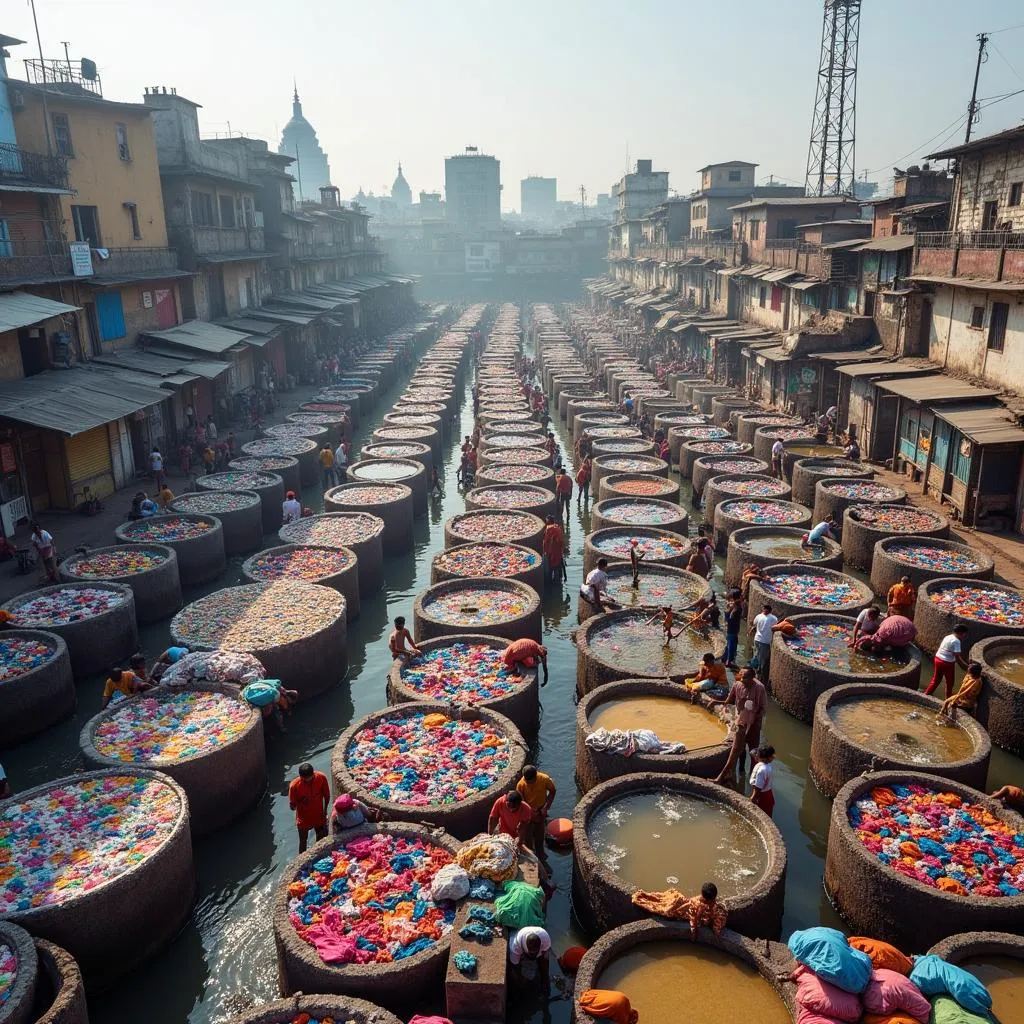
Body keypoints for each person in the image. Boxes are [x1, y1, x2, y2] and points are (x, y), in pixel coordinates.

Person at [710, 667, 768, 783]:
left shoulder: (760, 688)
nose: (742, 680)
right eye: (741, 677)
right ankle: (724, 776)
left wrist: (752, 718)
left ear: (752, 678)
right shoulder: (737, 685)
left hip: (754, 725)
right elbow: (729, 701)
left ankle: (753, 780)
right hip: (741, 724)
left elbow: (763, 710)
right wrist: (717, 701)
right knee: (735, 752)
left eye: (745, 678)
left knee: (753, 753)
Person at [289, 763, 331, 853]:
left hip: (319, 816)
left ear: (313, 774)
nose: (308, 780)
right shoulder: (294, 786)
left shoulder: (321, 778)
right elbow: (292, 807)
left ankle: (318, 856)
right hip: (303, 819)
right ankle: (302, 862)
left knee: (321, 840)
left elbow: (327, 796)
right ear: (300, 777)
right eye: (305, 779)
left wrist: (325, 811)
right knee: (303, 841)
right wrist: (300, 802)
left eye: (310, 778)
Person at [517, 765, 557, 853]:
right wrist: (530, 811)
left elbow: (553, 791)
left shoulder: (544, 779)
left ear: (536, 777)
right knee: (527, 835)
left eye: (530, 781)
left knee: (540, 833)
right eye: (526, 780)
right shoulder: (521, 784)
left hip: (540, 810)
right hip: (528, 812)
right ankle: (531, 853)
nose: (527, 783)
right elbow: (521, 802)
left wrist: (546, 807)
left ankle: (540, 852)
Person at [924, 624, 970, 698]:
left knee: (936, 679)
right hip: (946, 663)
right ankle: (947, 699)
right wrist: (966, 667)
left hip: (938, 659)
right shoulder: (956, 641)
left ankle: (926, 694)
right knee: (950, 682)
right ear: (962, 633)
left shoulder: (948, 637)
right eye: (965, 634)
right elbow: (957, 658)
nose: (965, 636)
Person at [750, 603, 778, 681]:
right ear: (770, 611)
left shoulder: (758, 616)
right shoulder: (773, 618)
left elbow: (753, 624)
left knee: (756, 655)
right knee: (762, 660)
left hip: (757, 639)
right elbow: (775, 627)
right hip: (765, 641)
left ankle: (753, 671)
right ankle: (758, 676)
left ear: (763, 609)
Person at [749, 744, 776, 816]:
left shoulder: (762, 770)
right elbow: (752, 753)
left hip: (763, 798)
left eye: (757, 754)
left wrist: (752, 799)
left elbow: (758, 788)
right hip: (768, 796)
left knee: (762, 817)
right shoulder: (766, 766)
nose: (774, 757)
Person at [542, 515, 566, 586]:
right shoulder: (558, 528)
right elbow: (561, 541)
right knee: (557, 566)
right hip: (558, 552)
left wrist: (545, 552)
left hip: (551, 552)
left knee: (550, 568)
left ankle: (550, 583)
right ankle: (558, 581)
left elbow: (545, 542)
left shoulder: (549, 529)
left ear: (548, 521)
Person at [724, 590, 743, 669]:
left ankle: (726, 659)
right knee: (731, 645)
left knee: (730, 644)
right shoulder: (736, 607)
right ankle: (729, 662)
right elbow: (730, 618)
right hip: (732, 629)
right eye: (741, 595)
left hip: (731, 628)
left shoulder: (732, 605)